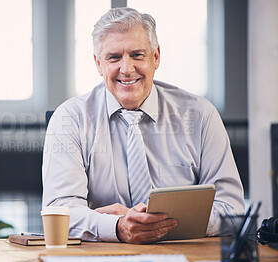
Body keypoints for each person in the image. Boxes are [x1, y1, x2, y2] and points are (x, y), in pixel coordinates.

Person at [42, 7, 245, 244]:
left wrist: (147, 223)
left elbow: (233, 210)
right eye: (114, 57)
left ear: (156, 57)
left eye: (137, 55)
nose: (127, 69)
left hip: (184, 255)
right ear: (98, 64)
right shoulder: (70, 119)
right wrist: (118, 227)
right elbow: (60, 210)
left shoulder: (201, 116)